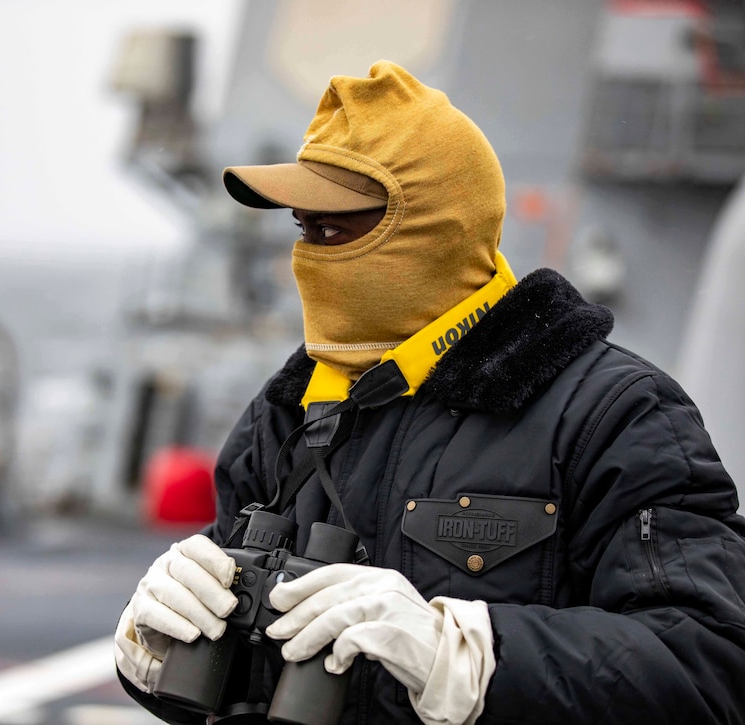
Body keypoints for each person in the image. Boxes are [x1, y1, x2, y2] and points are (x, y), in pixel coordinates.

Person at [113, 59, 745, 724]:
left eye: (334, 230)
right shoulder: (288, 412)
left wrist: (472, 659)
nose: (308, 257)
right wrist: (157, 655)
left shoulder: (614, 414)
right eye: (303, 228)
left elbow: (711, 665)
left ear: (428, 233)